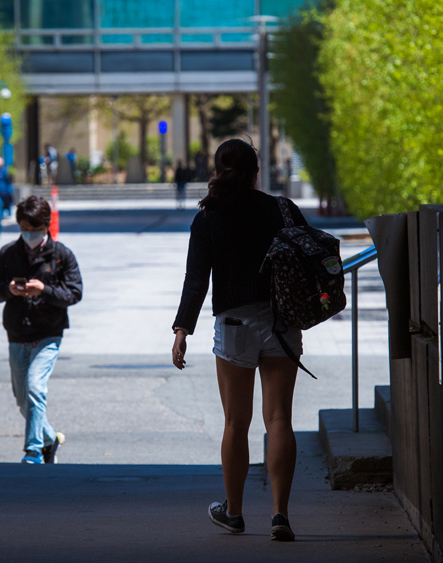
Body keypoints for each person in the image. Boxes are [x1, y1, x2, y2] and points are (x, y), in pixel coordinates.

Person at [171, 139, 308, 541]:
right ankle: (280, 515)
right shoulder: (281, 209)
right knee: (279, 418)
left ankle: (233, 513)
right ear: (255, 171)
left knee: (236, 422)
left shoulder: (209, 216)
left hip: (232, 323)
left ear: (217, 169)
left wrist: (182, 331)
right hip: (280, 320)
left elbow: (196, 279)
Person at [0, 196, 83, 464]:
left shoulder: (61, 255)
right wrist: (9, 290)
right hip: (17, 333)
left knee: (35, 388)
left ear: (45, 226)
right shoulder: (9, 253)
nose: (29, 234)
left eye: (34, 229)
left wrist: (45, 289)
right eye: (24, 229)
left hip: (48, 333)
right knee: (22, 399)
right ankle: (50, 440)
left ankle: (33, 450)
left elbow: (75, 292)